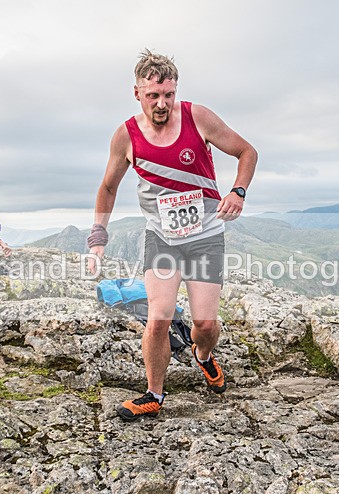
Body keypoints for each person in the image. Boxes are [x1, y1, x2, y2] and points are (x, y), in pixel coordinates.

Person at [88, 50, 257, 421]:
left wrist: (238, 191)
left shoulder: (199, 118)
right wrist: (98, 235)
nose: (162, 103)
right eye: (153, 96)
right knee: (159, 316)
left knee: (205, 325)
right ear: (137, 93)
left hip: (206, 236)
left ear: (175, 90)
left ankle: (203, 356)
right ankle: (153, 393)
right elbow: (108, 187)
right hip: (162, 237)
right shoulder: (126, 136)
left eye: (168, 94)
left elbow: (247, 151)